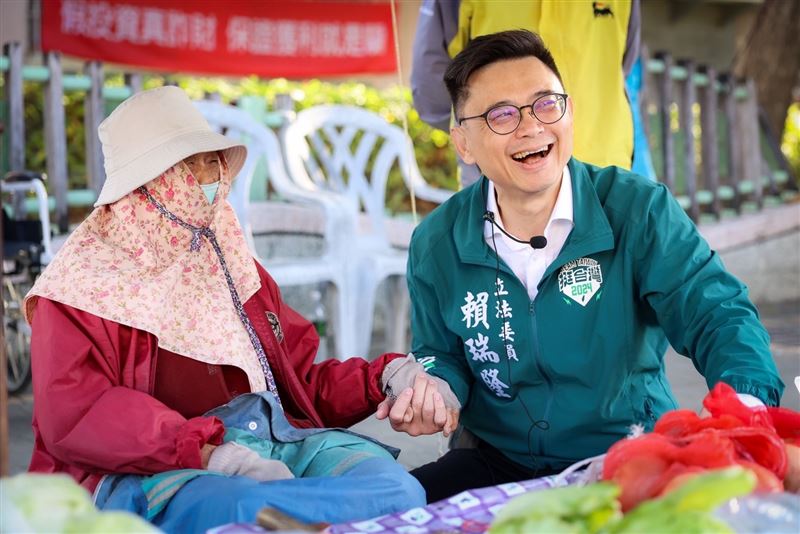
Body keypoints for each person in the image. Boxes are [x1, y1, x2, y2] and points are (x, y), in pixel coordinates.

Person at [22, 86, 455, 530]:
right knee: (243, 510)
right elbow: (79, 413)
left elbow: (298, 382)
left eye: (212, 161)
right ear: (144, 186)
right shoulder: (79, 287)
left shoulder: (232, 263)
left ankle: (294, 515)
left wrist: (384, 376)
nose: (208, 178)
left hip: (273, 439)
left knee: (398, 492)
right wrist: (209, 453)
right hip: (155, 467)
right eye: (187, 166)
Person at [400, 29, 785, 503]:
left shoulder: (638, 209)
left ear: (570, 112)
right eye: (502, 115)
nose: (531, 127)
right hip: (497, 459)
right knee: (394, 506)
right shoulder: (436, 242)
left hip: (628, 455)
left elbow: (716, 314)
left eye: (546, 104)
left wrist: (743, 409)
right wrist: (434, 387)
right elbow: (438, 352)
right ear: (464, 143)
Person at [411, 0, 642, 187]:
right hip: (504, 179)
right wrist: (475, 137)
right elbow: (433, 86)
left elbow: (623, 59)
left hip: (604, 172)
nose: (533, 128)